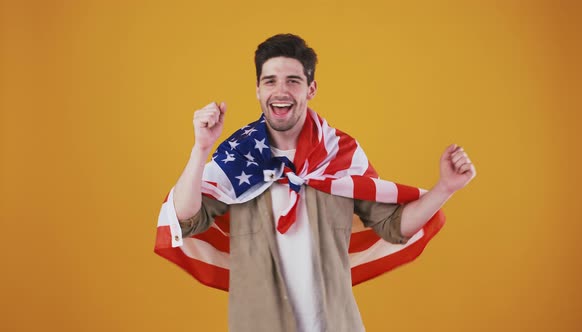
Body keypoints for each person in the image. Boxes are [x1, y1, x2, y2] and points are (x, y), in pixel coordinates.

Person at [155, 34, 476, 332]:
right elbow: (184, 219)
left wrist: (444, 187)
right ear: (258, 89)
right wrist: (201, 149)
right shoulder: (238, 156)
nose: (280, 91)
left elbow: (394, 226)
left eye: (292, 81)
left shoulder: (342, 154)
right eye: (270, 81)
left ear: (310, 89)